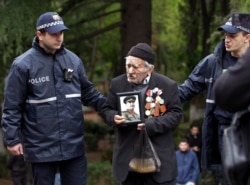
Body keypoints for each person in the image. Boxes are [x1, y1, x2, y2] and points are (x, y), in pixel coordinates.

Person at [1, 12, 106, 185]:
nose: (59, 38)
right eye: (54, 34)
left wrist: (111, 108)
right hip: (41, 148)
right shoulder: (22, 65)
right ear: (40, 35)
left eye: (61, 33)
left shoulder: (74, 61)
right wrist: (11, 139)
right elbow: (12, 106)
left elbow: (89, 93)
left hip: (74, 146)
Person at [178, 13, 250, 185]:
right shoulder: (212, 62)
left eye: (232, 35)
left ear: (247, 37)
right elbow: (187, 88)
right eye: (225, 35)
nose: (227, 39)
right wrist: (162, 97)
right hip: (224, 132)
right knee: (227, 180)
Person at [101, 43, 183, 185]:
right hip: (128, 160)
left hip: (159, 161)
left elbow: (176, 114)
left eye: (136, 67)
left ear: (149, 69)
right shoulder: (117, 83)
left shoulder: (167, 85)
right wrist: (113, 117)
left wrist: (151, 125)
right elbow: (106, 109)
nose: (130, 71)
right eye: (128, 66)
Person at [214, 47, 250, 185]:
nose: (227, 40)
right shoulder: (214, 60)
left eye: (233, 35)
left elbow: (224, 92)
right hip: (225, 129)